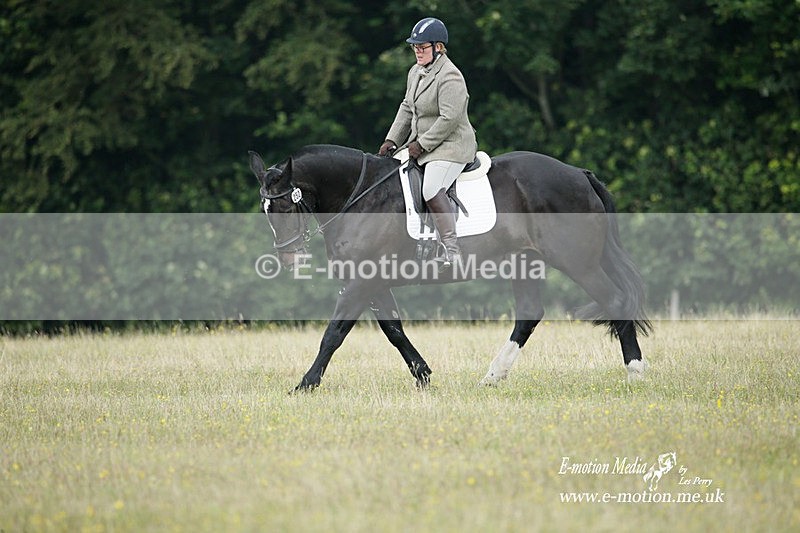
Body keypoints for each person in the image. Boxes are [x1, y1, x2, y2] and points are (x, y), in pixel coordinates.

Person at [378, 17, 477, 269]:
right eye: (415, 47)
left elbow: (449, 118)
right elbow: (406, 108)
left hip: (452, 145)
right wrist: (392, 139)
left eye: (422, 47)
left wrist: (421, 145)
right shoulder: (416, 72)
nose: (417, 51)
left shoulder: (450, 76)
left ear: (439, 47)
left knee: (431, 187)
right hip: (422, 144)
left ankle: (451, 249)